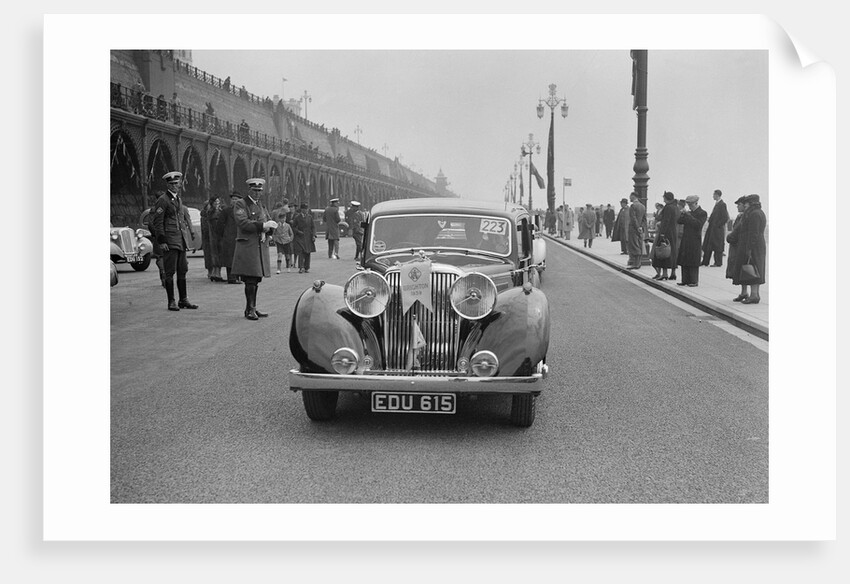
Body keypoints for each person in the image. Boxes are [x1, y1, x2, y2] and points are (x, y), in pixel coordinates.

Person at [150, 171, 198, 311]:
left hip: (180, 240)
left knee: (182, 270)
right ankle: (171, 301)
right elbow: (158, 222)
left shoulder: (178, 199)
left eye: (177, 183)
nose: (175, 186)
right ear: (168, 185)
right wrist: (162, 240)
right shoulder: (163, 200)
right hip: (170, 241)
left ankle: (183, 299)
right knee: (170, 272)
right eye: (172, 184)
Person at [231, 178, 277, 320]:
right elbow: (243, 222)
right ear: (249, 190)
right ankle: (250, 309)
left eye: (259, 191)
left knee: (256, 279)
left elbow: (267, 219)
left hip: (259, 246)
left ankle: (252, 308)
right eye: (255, 190)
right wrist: (262, 226)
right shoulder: (241, 203)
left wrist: (269, 229)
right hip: (248, 246)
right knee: (250, 278)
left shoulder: (260, 205)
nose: (257, 193)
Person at [735, 194, 767, 304]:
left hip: (754, 246)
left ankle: (754, 295)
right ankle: (754, 294)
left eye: (746, 203)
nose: (745, 205)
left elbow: (754, 232)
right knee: (754, 269)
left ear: (751, 203)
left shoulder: (754, 214)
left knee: (754, 269)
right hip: (757, 245)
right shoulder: (758, 212)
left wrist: (749, 248)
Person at [676, 195, 708, 287]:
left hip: (694, 239)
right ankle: (685, 280)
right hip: (686, 238)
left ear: (695, 203)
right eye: (688, 204)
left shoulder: (702, 213)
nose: (689, 206)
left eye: (690, 204)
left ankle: (694, 280)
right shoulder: (688, 213)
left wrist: (689, 216)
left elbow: (698, 224)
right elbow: (679, 221)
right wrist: (683, 214)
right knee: (685, 259)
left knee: (693, 260)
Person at [652, 191, 681, 281]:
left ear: (667, 198)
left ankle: (664, 274)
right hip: (674, 232)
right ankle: (673, 273)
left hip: (667, 232)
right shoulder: (676, 207)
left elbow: (665, 221)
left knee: (663, 251)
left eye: (664, 198)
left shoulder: (668, 207)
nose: (663, 199)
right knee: (673, 252)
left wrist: (662, 233)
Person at [725, 196, 749, 301]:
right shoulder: (740, 216)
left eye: (739, 205)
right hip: (736, 246)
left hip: (739, 246)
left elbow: (737, 231)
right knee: (739, 269)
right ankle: (743, 292)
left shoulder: (744, 217)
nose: (737, 207)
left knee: (742, 268)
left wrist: (730, 237)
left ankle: (744, 292)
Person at [218, 191, 242, 284]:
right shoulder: (226, 211)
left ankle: (239, 277)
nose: (234, 201)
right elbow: (220, 224)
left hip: (240, 237)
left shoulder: (242, 211)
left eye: (236, 199)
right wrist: (223, 235)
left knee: (239, 257)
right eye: (233, 199)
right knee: (230, 258)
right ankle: (231, 278)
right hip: (229, 237)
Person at [701, 189, 730, 267]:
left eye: (714, 194)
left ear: (717, 195)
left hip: (717, 230)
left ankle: (718, 262)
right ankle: (705, 261)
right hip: (712, 229)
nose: (713, 196)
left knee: (717, 246)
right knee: (708, 245)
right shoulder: (717, 204)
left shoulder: (722, 204)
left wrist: (717, 225)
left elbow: (725, 217)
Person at [200, 195, 223, 281]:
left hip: (213, 236)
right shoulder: (214, 213)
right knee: (216, 254)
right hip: (214, 236)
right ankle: (216, 273)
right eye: (215, 202)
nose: (217, 203)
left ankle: (215, 273)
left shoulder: (211, 212)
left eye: (218, 202)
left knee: (215, 254)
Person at [292, 202, 317, 273]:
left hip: (308, 237)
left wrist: (313, 235)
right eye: (304, 209)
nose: (306, 210)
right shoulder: (297, 217)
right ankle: (301, 267)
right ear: (301, 209)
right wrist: (298, 232)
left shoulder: (310, 217)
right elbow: (293, 227)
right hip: (300, 237)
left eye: (306, 209)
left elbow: (313, 227)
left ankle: (306, 267)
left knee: (308, 252)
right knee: (301, 252)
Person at [272, 200, 294, 273]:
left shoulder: (288, 225)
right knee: (279, 255)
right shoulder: (277, 225)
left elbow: (291, 234)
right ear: (279, 219)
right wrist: (275, 239)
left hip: (286, 241)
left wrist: (290, 239)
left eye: (284, 218)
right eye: (282, 218)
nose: (283, 220)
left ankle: (288, 267)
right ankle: (279, 269)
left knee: (287, 255)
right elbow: (274, 233)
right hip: (279, 242)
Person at [626, 192, 646, 269]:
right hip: (640, 229)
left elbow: (633, 218)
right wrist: (641, 227)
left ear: (633, 196)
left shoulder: (633, 206)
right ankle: (638, 262)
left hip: (633, 228)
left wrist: (637, 227)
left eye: (630, 196)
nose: (629, 198)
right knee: (639, 244)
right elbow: (644, 219)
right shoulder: (643, 206)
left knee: (634, 245)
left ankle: (636, 263)